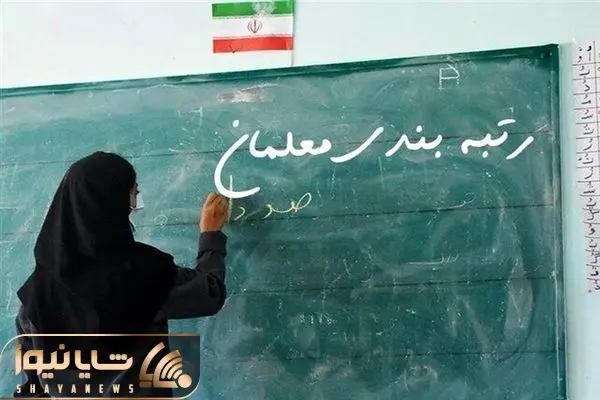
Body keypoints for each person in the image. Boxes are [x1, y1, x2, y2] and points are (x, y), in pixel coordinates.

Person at [13, 151, 229, 398]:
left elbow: (32, 390)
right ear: (113, 204)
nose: (134, 207)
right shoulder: (143, 276)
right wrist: (210, 235)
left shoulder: (36, 295)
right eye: (133, 195)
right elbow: (210, 293)